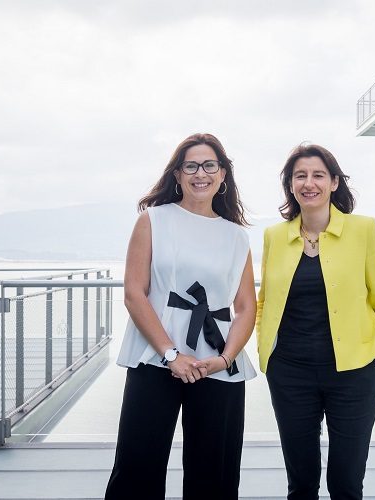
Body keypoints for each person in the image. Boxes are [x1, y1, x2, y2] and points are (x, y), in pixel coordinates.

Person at [105, 133, 257, 500]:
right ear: (177, 174)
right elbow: (134, 293)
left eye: (209, 165)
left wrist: (224, 359)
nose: (200, 173)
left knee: (215, 475)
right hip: (156, 359)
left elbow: (246, 307)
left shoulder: (237, 237)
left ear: (223, 175)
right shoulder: (153, 220)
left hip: (216, 365)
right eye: (190, 165)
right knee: (137, 468)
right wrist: (171, 355)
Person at [256, 143, 375, 499]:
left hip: (354, 373)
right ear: (290, 185)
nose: (310, 183)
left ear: (334, 182)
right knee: (301, 484)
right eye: (300, 176)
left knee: (346, 483)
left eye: (318, 175)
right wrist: (267, 354)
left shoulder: (363, 229)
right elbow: (264, 303)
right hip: (289, 373)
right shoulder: (274, 236)